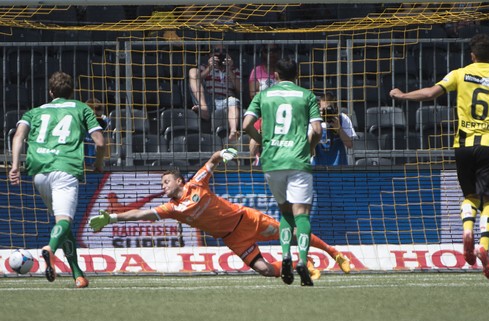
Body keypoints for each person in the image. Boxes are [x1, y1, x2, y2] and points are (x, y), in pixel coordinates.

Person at [88, 149, 351, 279]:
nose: (163, 186)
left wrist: (223, 153)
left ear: (179, 181)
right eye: (161, 184)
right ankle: (301, 267)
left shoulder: (196, 184)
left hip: (247, 220)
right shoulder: (171, 209)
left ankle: (333, 253)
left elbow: (211, 162)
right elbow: (139, 215)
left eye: (166, 182)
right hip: (233, 239)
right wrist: (112, 217)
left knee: (293, 234)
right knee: (265, 270)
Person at [389, 34, 489, 281]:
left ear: (472, 55)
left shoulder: (460, 73)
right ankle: (483, 246)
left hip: (463, 146)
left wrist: (403, 95)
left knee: (470, 196)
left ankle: (467, 231)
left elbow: (431, 93)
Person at [9, 71, 105, 288]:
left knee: (64, 225)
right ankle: (50, 249)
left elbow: (18, 136)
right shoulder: (82, 108)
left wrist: (15, 166)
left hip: (39, 172)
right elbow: (100, 142)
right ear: (72, 92)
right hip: (65, 169)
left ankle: (78, 274)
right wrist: (99, 164)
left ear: (50, 92)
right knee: (64, 221)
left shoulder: (33, 112)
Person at [243, 58, 323, 286]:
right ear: (297, 75)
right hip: (298, 160)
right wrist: (309, 148)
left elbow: (247, 124)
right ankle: (303, 260)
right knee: (302, 214)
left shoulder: (263, 96)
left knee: (285, 213)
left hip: (272, 161)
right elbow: (317, 130)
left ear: (275, 75)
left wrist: (263, 142)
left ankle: (285, 255)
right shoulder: (307, 95)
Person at [188, 43, 242, 142]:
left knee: (233, 101)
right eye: (217, 51)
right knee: (192, 71)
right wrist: (209, 68)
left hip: (227, 99)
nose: (220, 54)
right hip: (209, 99)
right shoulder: (205, 67)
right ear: (210, 54)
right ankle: (203, 109)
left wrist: (229, 70)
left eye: (223, 52)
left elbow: (240, 89)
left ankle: (234, 131)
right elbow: (196, 80)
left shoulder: (234, 70)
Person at [248, 44, 282, 166]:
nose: (271, 53)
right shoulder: (256, 71)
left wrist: (265, 95)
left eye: (274, 50)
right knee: (257, 131)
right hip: (262, 111)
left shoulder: (281, 70)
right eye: (267, 51)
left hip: (280, 112)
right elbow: (253, 95)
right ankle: (255, 160)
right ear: (262, 53)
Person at [311, 92, 357, 166]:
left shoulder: (343, 119)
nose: (326, 112)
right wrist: (317, 127)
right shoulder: (315, 121)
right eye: (323, 109)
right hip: (318, 167)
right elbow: (308, 147)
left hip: (339, 167)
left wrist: (339, 129)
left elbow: (350, 144)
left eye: (328, 109)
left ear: (335, 108)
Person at [85, 98, 110, 165]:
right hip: (83, 160)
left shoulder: (105, 122)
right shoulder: (81, 123)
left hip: (98, 160)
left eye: (98, 116)